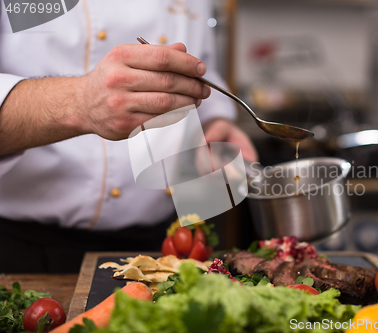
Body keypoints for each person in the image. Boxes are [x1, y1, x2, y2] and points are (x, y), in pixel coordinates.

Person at [0, 0, 257, 273]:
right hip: (23, 253)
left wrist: (215, 121)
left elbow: (202, 69)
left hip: (165, 243)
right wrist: (79, 101)